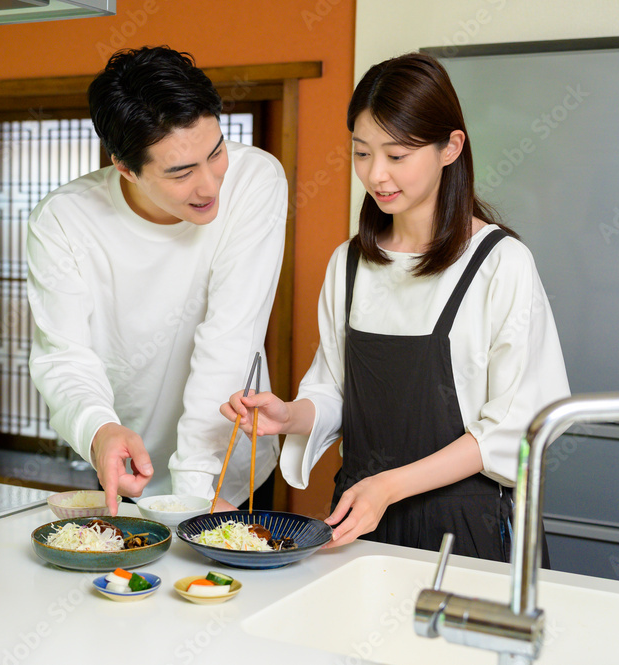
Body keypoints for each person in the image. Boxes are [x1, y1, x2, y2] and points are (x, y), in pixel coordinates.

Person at [221, 51, 570, 561]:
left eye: (397, 155)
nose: (376, 174)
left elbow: (517, 427)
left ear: (451, 148)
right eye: (362, 153)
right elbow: (335, 390)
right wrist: (290, 415)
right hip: (361, 518)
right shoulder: (349, 263)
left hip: (467, 528)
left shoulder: (500, 263)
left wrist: (390, 485)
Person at [28, 46, 287, 516]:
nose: (210, 185)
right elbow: (64, 357)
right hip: (129, 461)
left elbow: (230, 336)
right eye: (181, 172)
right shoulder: (64, 220)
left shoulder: (254, 180)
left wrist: (192, 489)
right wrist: (98, 429)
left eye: (216, 152)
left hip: (228, 470)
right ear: (125, 168)